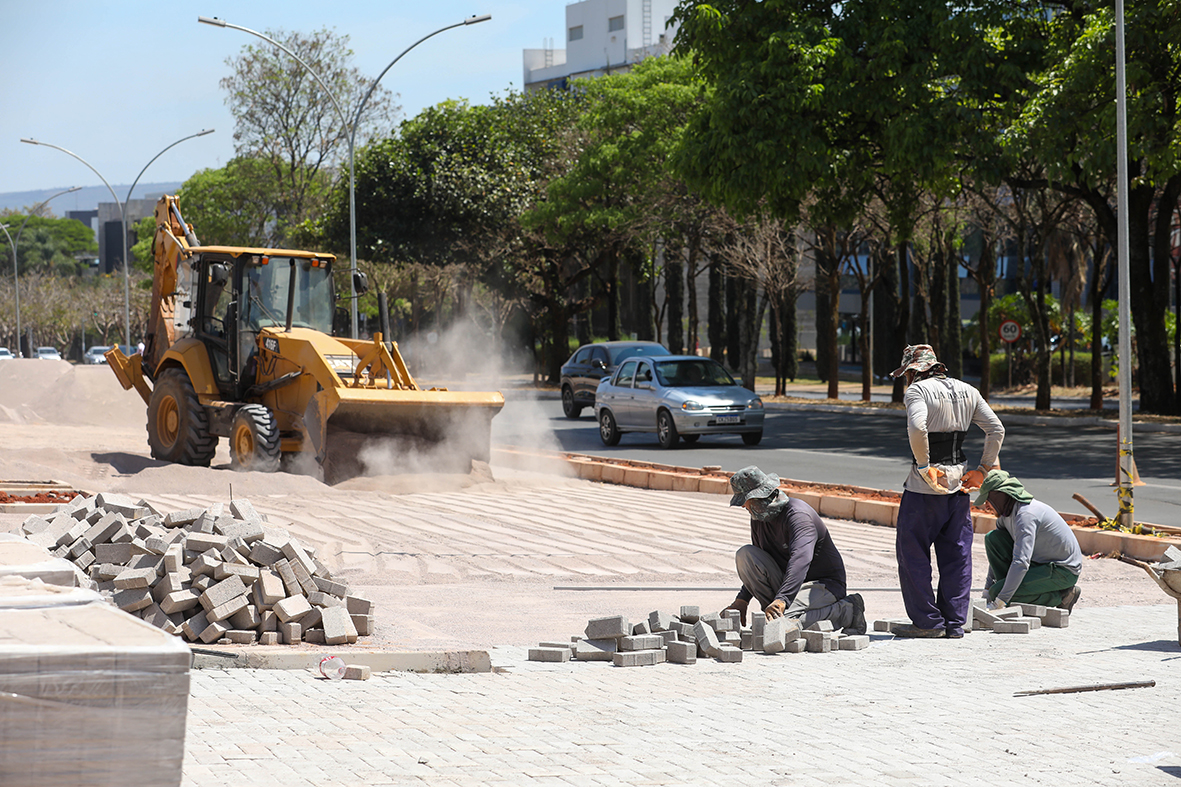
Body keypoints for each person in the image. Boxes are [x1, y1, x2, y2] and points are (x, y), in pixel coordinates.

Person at [889, 344, 1005, 639]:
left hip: (924, 489)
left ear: (914, 370)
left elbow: (917, 427)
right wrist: (983, 468)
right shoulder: (969, 391)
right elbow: (996, 429)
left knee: (912, 554)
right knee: (957, 555)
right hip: (959, 488)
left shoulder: (917, 392)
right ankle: (955, 622)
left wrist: (924, 465)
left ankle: (927, 622)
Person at [722, 466, 866, 634]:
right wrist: (742, 600)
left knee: (776, 627)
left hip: (823, 586)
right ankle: (780, 612)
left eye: (744, 501)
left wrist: (782, 599)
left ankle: (848, 611)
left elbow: (800, 560)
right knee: (746, 554)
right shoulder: (758, 517)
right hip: (789, 585)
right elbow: (758, 563)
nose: (742, 507)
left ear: (758, 497)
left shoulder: (798, 515)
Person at [975, 469, 1082, 611]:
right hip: (1038, 564)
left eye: (988, 500)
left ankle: (1062, 596)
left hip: (1061, 571)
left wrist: (1000, 601)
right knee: (993, 538)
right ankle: (1008, 590)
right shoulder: (1005, 515)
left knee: (999, 593)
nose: (986, 506)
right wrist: (987, 591)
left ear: (999, 497)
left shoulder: (1026, 516)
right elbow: (997, 551)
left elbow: (1021, 562)